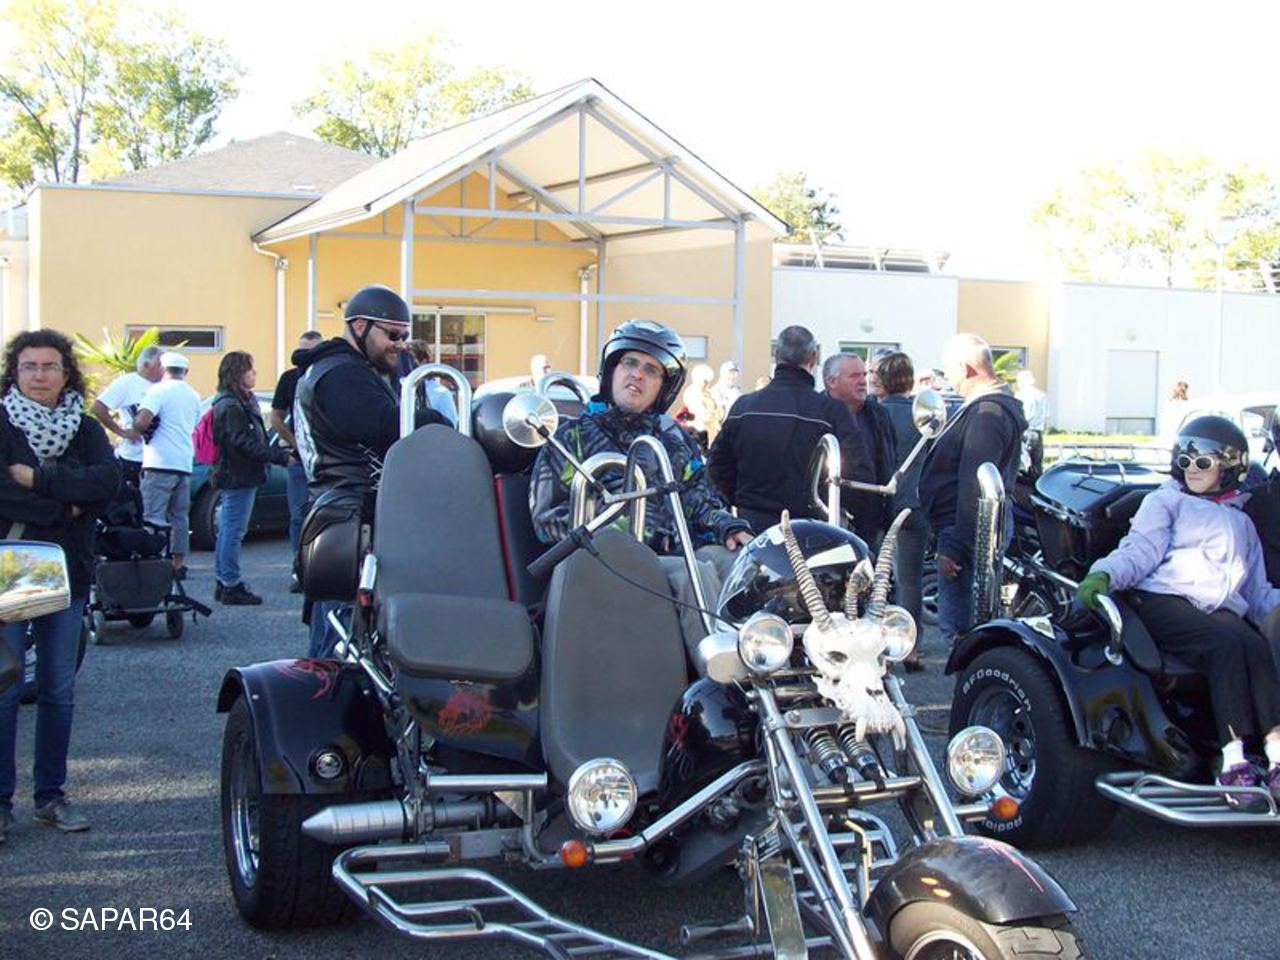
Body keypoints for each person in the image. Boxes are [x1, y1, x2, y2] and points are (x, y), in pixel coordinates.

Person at [1077, 415, 1280, 807]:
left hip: (1216, 608)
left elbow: (1256, 594)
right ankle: (1233, 763)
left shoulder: (1241, 521)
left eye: (1202, 462)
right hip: (1160, 599)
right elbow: (1140, 549)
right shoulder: (1166, 501)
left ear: (1229, 467)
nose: (1192, 469)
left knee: (1255, 647)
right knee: (1224, 645)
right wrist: (1104, 575)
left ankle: (1275, 756)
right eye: (1184, 461)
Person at [530, 320, 751, 652]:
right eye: (629, 363)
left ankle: (768, 659)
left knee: (739, 562)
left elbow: (698, 498)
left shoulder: (674, 438)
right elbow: (546, 518)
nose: (637, 375)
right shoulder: (571, 437)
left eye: (651, 370)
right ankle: (724, 672)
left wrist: (727, 525)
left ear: (664, 387)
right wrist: (629, 529)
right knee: (694, 574)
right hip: (601, 562)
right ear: (612, 370)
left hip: (672, 553)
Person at [0, 330, 120, 837]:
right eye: (29, 366)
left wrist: (38, 480)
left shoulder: (85, 427)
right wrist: (64, 507)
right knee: (4, 687)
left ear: (66, 372)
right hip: (11, 570)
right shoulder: (3, 422)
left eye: (50, 366)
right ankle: (0, 804)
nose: (40, 375)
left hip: (69, 570)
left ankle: (50, 796)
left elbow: (107, 483)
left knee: (58, 689)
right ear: (15, 372)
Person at [294, 284, 447, 658]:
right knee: (343, 645)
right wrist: (438, 422)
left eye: (405, 336)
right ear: (360, 326)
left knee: (347, 634)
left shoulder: (348, 369)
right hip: (349, 520)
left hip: (345, 515)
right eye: (392, 335)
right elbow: (379, 425)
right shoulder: (341, 374)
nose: (400, 344)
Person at [709, 326, 874, 538]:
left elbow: (717, 466)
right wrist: (834, 509)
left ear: (776, 356)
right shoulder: (831, 411)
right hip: (812, 529)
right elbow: (859, 474)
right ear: (813, 358)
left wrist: (742, 499)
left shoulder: (744, 406)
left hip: (754, 527)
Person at [917, 334, 1027, 648]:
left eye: (949, 370)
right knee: (967, 626)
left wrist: (955, 547)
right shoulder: (990, 408)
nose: (948, 379)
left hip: (966, 528)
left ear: (966, 368)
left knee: (963, 631)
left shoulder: (987, 413)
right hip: (968, 526)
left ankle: (968, 675)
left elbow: (975, 485)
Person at [212, 351, 290, 606]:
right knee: (233, 530)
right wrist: (278, 457)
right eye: (249, 369)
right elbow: (243, 443)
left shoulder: (236, 402)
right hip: (238, 475)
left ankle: (224, 579)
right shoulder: (231, 405)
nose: (254, 374)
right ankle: (230, 583)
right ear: (238, 373)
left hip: (239, 473)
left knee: (230, 529)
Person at [877, 351, 928, 671]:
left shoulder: (875, 413)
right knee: (910, 580)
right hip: (914, 503)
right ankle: (910, 649)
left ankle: (877, 644)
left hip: (879, 503)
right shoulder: (922, 416)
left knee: (876, 576)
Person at [132, 352, 201, 579]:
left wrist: (139, 429)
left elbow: (141, 421)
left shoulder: (158, 391)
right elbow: (194, 425)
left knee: (152, 515)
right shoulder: (193, 395)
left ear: (162, 369)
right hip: (184, 462)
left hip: (158, 462)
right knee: (180, 517)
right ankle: (177, 564)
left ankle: (153, 562)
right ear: (186, 372)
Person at [822, 352, 896, 545]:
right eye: (854, 376)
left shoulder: (879, 414)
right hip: (827, 517)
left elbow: (888, 461)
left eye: (864, 374)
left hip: (870, 520)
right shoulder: (816, 413)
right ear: (832, 382)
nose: (863, 381)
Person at [271, 330, 324, 591]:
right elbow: (276, 418)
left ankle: (321, 566)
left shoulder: (330, 376)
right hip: (301, 460)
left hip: (326, 460)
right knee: (298, 515)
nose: (306, 357)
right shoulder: (290, 378)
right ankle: (299, 568)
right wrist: (297, 445)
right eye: (302, 351)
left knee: (325, 514)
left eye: (312, 351)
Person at [90, 345, 163, 489]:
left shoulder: (166, 385)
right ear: (146, 365)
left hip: (161, 459)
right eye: (160, 365)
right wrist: (121, 432)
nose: (164, 369)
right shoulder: (127, 383)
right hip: (135, 458)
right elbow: (98, 407)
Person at [404, 339, 459, 427]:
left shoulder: (441, 394)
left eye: (412, 359)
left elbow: (451, 425)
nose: (406, 363)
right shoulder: (402, 389)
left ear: (424, 361)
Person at [678, 363, 723, 448]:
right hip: (697, 432)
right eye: (705, 381)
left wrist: (716, 412)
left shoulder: (710, 393)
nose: (707, 384)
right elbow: (701, 414)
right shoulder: (692, 392)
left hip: (712, 431)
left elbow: (719, 412)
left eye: (708, 382)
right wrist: (712, 413)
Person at [1015, 370, 1049, 478]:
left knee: (1023, 465)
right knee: (1037, 465)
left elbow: (1020, 416)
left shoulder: (1020, 396)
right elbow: (1046, 416)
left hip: (1025, 431)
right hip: (1038, 432)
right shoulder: (1042, 395)